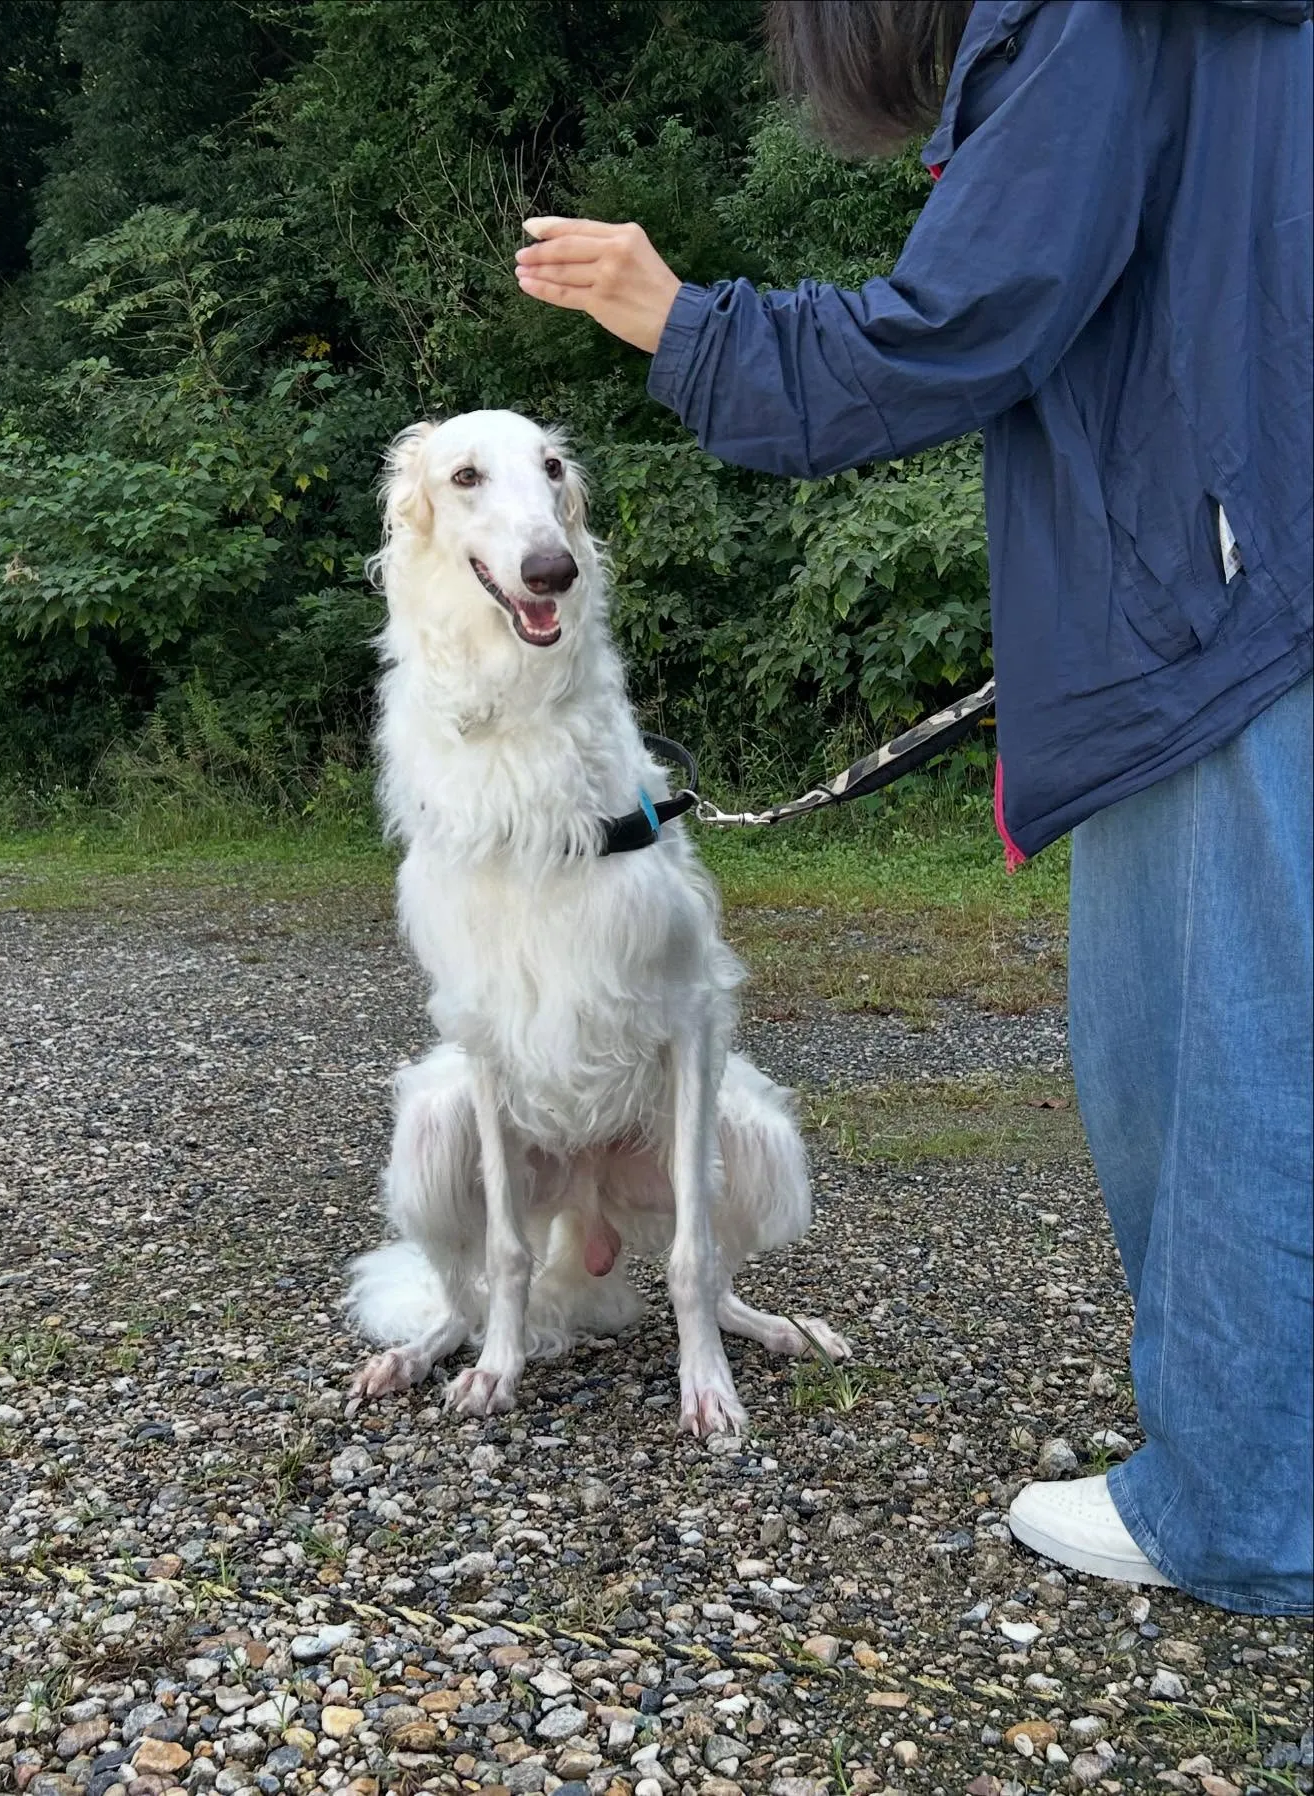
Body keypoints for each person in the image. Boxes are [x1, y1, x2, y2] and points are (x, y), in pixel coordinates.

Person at [514, 0, 1313, 1616]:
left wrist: (687, 323)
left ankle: (1246, 1506)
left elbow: (961, 321)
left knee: (1207, 1063)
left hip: (1228, 619)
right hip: (1261, 573)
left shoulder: (1095, 14)